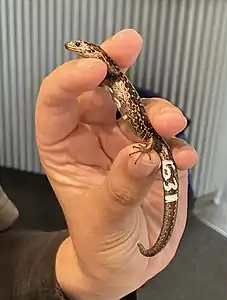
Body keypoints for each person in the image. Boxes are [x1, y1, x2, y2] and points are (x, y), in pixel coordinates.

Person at [0, 29, 198, 300]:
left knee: (158, 141)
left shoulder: (109, 73)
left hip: (151, 140)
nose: (75, 47)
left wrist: (90, 279)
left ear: (95, 53)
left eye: (81, 46)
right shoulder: (108, 75)